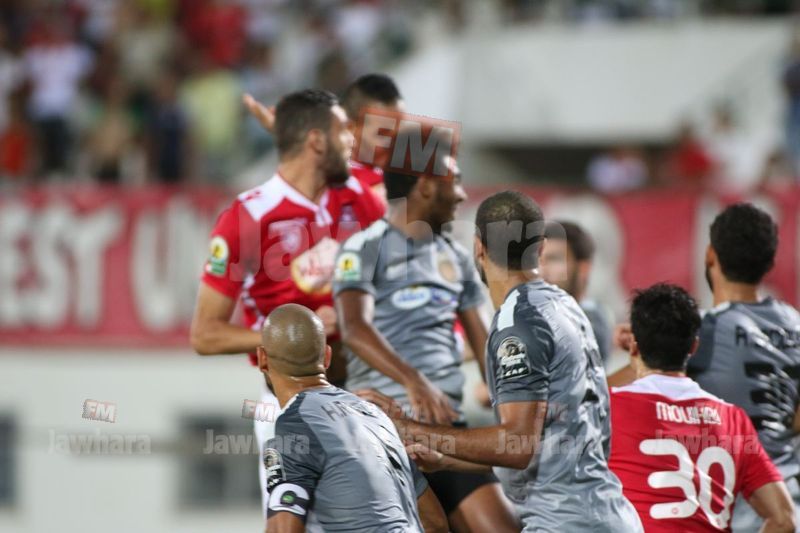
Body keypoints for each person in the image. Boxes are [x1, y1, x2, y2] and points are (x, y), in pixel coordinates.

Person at [367, 190, 642, 531]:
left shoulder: (518, 321)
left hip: (565, 523)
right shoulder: (566, 306)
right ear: (539, 248)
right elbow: (542, 444)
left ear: (478, 248)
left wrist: (409, 428)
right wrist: (448, 460)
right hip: (606, 513)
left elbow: (516, 445)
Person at [190, 89, 385, 518]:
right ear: (316, 140)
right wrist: (301, 334)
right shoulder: (247, 217)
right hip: (289, 408)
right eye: (342, 130)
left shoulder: (358, 197)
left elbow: (415, 174)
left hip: (366, 394)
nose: (352, 139)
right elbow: (205, 335)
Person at [333, 158, 519, 532]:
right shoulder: (363, 248)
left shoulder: (456, 256)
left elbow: (485, 344)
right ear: (427, 186)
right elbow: (354, 328)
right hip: (381, 431)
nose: (462, 195)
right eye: (456, 182)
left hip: (447, 430)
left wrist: (513, 402)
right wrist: (414, 381)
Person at [608, 203, 800, 531]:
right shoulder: (795, 324)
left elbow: (627, 386)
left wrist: (642, 347)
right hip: (787, 493)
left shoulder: (706, 329)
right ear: (770, 262)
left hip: (728, 496)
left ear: (710, 255)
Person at [257, 304, 447, 533]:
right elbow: (436, 523)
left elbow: (282, 530)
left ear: (262, 359)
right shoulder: (377, 414)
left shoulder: (294, 424)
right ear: (327, 357)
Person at [540, 220, 612, 364]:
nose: (542, 270)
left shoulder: (591, 319)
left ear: (583, 268)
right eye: (539, 260)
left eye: (554, 259)